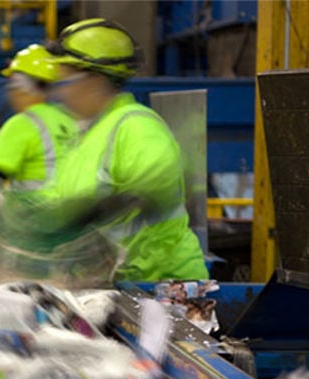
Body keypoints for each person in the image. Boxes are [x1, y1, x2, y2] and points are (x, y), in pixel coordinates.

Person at [43, 19, 207, 282]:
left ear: (93, 79)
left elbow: (154, 190)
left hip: (163, 290)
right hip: (114, 285)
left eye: (64, 79)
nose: (59, 92)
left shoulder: (137, 126)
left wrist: (92, 214)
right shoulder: (86, 135)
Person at [0, 44, 77, 193]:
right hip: (72, 210)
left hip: (32, 212)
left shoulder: (22, 124)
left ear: (21, 87)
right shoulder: (69, 120)